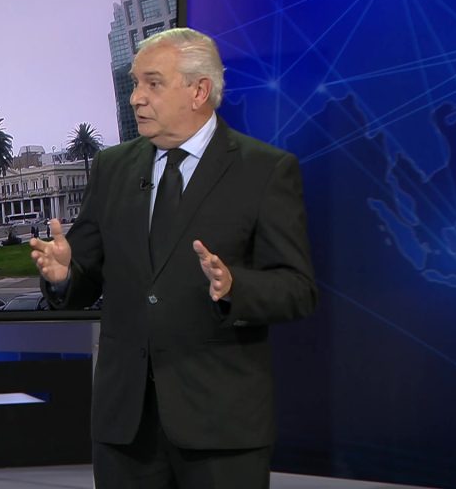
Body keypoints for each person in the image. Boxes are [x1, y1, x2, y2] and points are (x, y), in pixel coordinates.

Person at [30, 27, 317, 489]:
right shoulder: (112, 168)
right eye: (134, 84)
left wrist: (234, 288)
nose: (136, 98)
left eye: (153, 83)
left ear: (199, 91)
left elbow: (297, 289)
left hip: (220, 425)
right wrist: (64, 274)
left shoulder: (264, 170)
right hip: (125, 426)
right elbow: (84, 277)